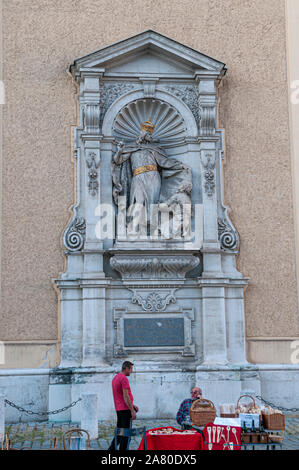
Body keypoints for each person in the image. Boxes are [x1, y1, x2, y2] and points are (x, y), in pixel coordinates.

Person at [108, 361, 139, 451]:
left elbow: (120, 396)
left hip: (119, 409)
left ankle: (111, 449)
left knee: (119, 433)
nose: (131, 372)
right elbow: (126, 396)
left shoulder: (115, 378)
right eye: (131, 369)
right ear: (126, 368)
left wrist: (132, 405)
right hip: (125, 410)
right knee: (126, 435)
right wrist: (132, 410)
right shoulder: (124, 379)